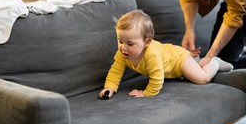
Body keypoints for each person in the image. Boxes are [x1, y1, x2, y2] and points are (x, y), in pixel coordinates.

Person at [98, 9, 233, 99]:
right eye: (120, 41)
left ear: (146, 42)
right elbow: (115, 72)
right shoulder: (122, 54)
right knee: (194, 69)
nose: (123, 47)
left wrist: (145, 93)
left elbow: (157, 79)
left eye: (130, 44)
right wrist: (109, 88)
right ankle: (196, 60)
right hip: (170, 65)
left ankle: (215, 62)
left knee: (202, 79)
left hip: (179, 60)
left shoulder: (152, 54)